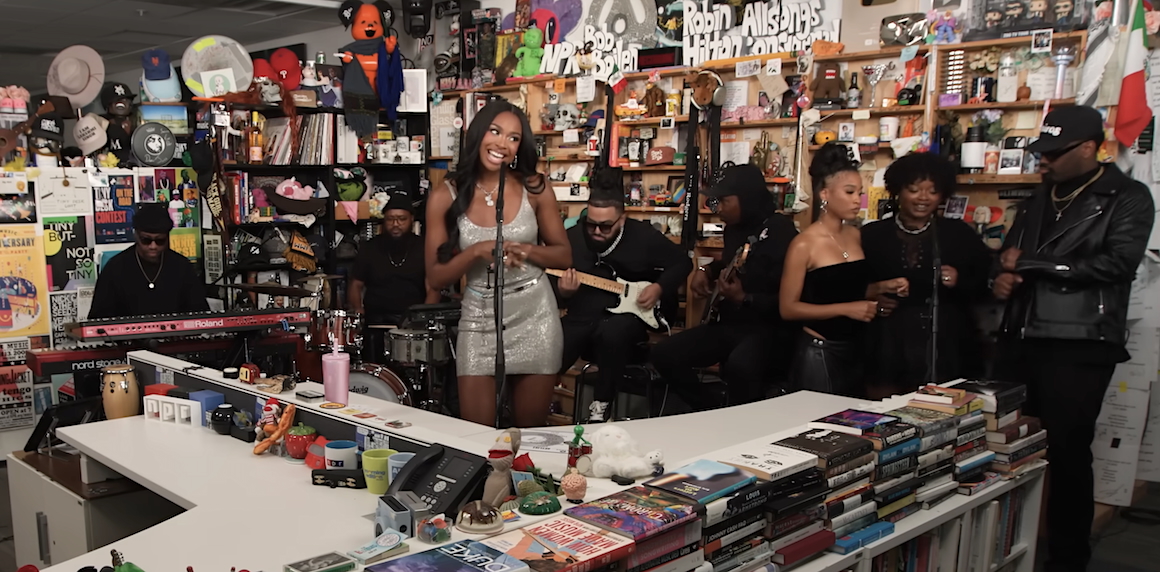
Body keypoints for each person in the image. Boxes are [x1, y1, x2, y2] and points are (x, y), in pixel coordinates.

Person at [992, 106, 1154, 572]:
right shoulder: (1039, 198)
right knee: (1004, 448)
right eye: (1040, 151)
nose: (1043, 161)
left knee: (1066, 455)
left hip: (1080, 343)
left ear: (1089, 148)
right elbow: (1007, 258)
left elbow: (1116, 265)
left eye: (1054, 153)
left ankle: (1067, 561)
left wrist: (1029, 266)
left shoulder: (1127, 196)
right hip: (1020, 338)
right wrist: (999, 279)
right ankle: (1004, 549)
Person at [424, 99, 571, 428]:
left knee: (529, 437)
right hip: (478, 316)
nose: (502, 144)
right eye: (495, 131)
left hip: (536, 315)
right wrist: (475, 252)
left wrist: (526, 250)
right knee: (477, 438)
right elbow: (435, 277)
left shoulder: (535, 187)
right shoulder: (445, 195)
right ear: (478, 134)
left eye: (513, 138)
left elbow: (563, 254)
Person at [651, 164, 798, 410]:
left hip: (767, 328)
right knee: (664, 354)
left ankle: (741, 423)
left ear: (746, 198)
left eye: (723, 201)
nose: (717, 208)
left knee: (740, 366)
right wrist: (705, 271)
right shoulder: (734, 229)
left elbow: (789, 300)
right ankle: (712, 410)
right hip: (730, 324)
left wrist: (745, 298)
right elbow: (733, 261)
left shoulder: (782, 233)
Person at [555, 182, 691, 422]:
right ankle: (539, 393)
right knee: (559, 335)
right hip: (585, 312)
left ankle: (601, 405)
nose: (597, 231)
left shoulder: (643, 236)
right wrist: (564, 291)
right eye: (592, 224)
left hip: (630, 315)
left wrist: (658, 288)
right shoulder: (573, 237)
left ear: (622, 220)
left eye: (606, 226)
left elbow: (682, 263)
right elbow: (553, 281)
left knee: (613, 332)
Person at [779, 143, 907, 396]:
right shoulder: (804, 244)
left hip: (858, 349)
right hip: (820, 352)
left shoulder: (855, 235)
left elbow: (843, 288)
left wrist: (881, 289)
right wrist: (848, 309)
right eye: (849, 192)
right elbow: (788, 308)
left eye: (859, 193)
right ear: (825, 194)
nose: (856, 200)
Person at [862, 153, 993, 397]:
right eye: (914, 190)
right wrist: (873, 300)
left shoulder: (958, 234)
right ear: (897, 191)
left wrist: (959, 280)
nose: (923, 198)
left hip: (946, 344)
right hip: (887, 345)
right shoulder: (872, 236)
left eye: (932, 191)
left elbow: (987, 287)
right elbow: (852, 287)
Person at [348, 191, 439, 361]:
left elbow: (433, 289)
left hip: (411, 321)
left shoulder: (424, 248)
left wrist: (422, 321)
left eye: (401, 219)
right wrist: (358, 312)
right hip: (375, 321)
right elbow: (356, 284)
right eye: (390, 219)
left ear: (412, 219)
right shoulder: (369, 248)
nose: (395, 224)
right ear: (384, 221)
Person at [89, 203, 209, 319]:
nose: (153, 246)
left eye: (160, 240)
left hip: (177, 339)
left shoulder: (182, 266)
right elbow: (99, 319)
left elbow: (200, 314)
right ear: (136, 236)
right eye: (146, 240)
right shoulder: (115, 268)